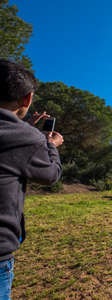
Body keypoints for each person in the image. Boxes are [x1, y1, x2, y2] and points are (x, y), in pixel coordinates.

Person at [0, 59, 64, 299]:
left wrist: (24, 124)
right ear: (26, 99)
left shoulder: (20, 133)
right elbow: (50, 175)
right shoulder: (28, 137)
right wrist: (50, 143)